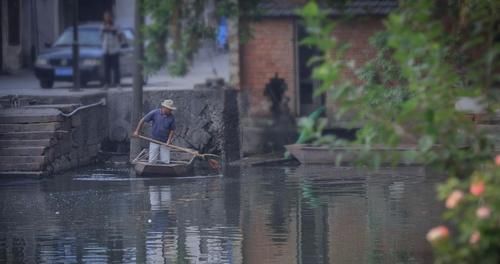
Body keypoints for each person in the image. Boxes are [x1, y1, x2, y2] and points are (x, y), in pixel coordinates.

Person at [133, 99, 177, 163]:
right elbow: (143, 120)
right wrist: (137, 131)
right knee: (152, 160)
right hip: (154, 139)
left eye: (171, 109)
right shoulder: (155, 113)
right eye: (169, 109)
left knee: (165, 161)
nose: (170, 111)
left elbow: (172, 130)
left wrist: (169, 141)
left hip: (165, 141)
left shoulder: (171, 117)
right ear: (164, 108)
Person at [101, 11, 122, 87]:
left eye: (108, 17)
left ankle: (117, 83)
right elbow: (101, 36)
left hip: (114, 49)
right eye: (105, 17)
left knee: (116, 68)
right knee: (106, 68)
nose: (106, 18)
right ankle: (107, 83)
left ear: (111, 17)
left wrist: (113, 30)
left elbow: (120, 37)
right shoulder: (102, 26)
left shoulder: (116, 25)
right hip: (106, 49)